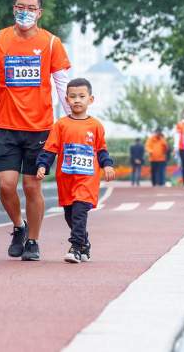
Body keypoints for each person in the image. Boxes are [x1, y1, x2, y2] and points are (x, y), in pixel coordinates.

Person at [0, 0, 72, 262]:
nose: (25, 12)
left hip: (40, 128)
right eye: (20, 7)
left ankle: (33, 241)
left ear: (39, 13)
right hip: (7, 127)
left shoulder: (51, 43)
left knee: (32, 186)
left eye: (31, 8)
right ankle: (19, 227)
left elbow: (63, 84)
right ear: (13, 9)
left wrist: (73, 121)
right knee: (6, 185)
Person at [35, 78, 115, 263]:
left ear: (90, 99)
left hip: (87, 180)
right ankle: (85, 242)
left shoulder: (95, 126)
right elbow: (50, 149)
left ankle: (76, 247)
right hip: (66, 180)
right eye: (72, 97)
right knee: (70, 214)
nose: (77, 100)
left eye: (81, 96)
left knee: (80, 211)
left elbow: (102, 149)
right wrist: (42, 165)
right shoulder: (61, 125)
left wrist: (107, 165)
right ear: (66, 100)